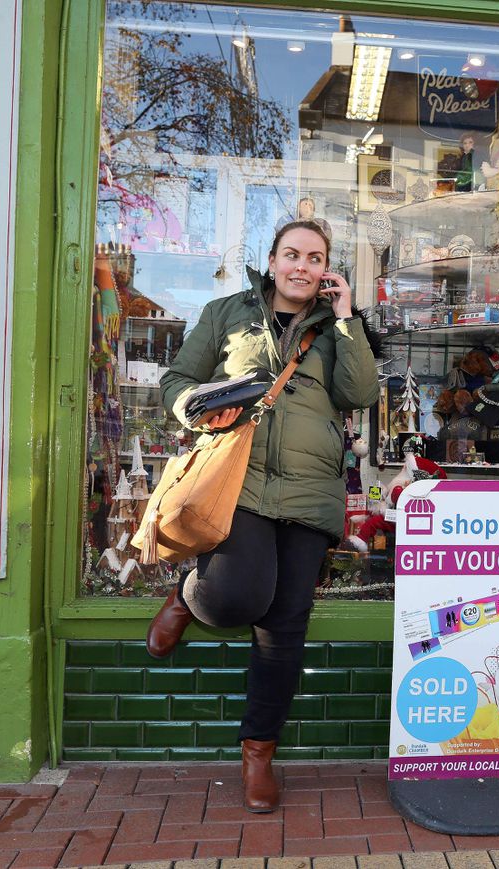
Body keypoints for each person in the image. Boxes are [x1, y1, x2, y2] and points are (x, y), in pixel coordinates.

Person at [146, 219, 379, 811]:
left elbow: (361, 394)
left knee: (284, 630)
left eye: (315, 258)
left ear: (326, 269)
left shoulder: (338, 328)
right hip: (237, 480)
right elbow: (177, 378)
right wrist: (193, 405)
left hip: (309, 493)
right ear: (272, 260)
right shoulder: (228, 311)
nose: (302, 266)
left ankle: (258, 754)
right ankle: (188, 596)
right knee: (235, 599)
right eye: (292, 254)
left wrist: (348, 316)